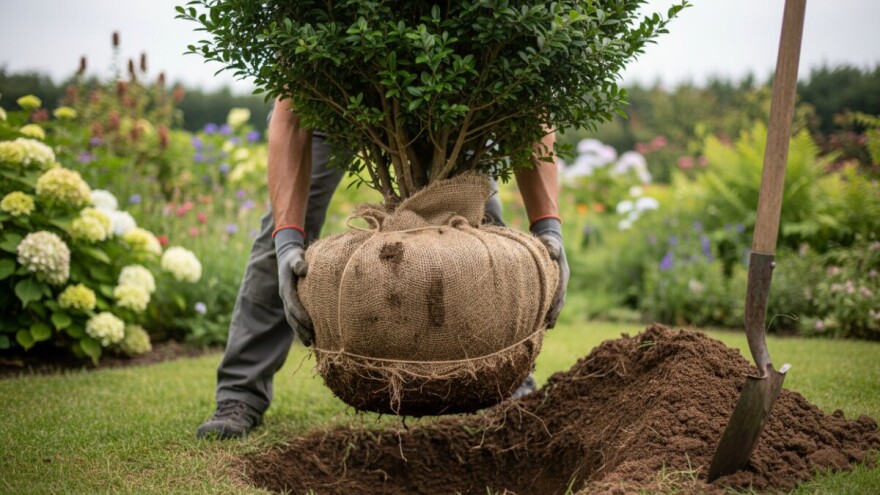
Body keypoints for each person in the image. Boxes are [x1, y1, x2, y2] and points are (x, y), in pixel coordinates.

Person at [196, 98, 570, 439]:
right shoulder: (317, 52)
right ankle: (239, 395)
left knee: (480, 223)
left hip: (454, 106)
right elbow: (292, 115)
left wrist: (548, 229)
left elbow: (530, 106)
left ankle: (508, 377)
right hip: (338, 103)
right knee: (279, 240)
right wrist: (287, 239)